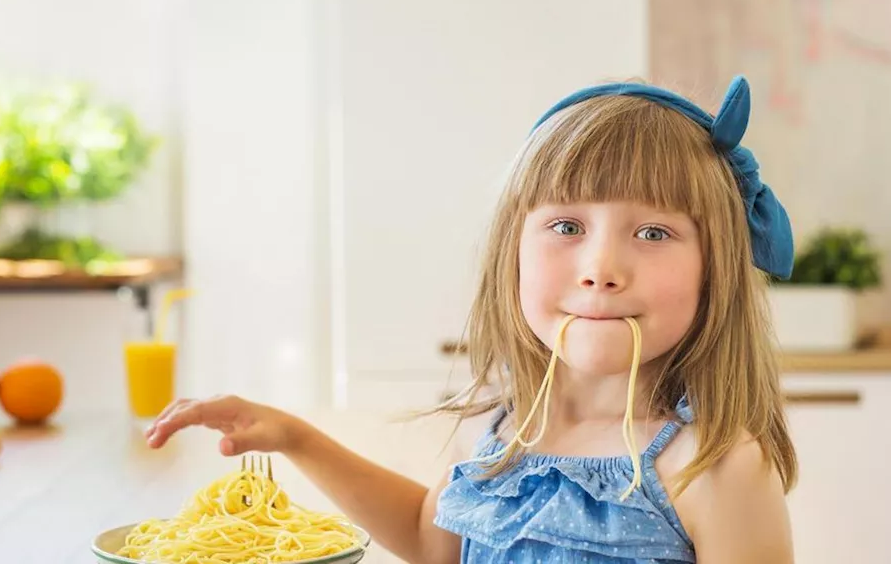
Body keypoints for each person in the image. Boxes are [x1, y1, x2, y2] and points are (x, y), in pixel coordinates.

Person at [146, 75, 798, 563]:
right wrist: (296, 437)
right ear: (511, 251)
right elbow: (438, 547)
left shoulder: (712, 466)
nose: (601, 267)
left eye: (653, 232)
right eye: (567, 226)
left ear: (716, 268)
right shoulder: (494, 433)